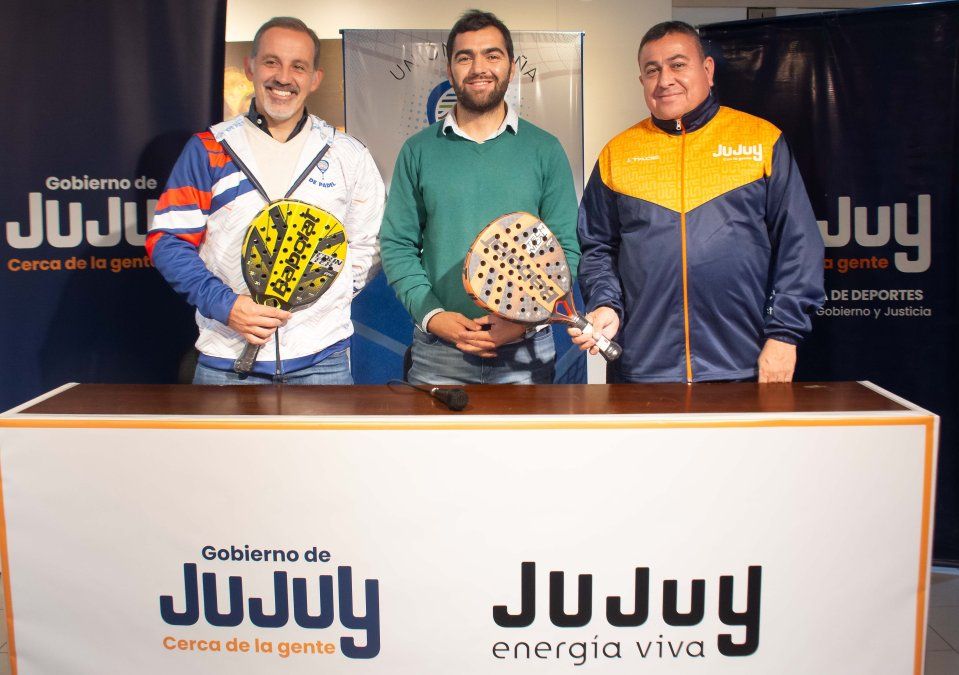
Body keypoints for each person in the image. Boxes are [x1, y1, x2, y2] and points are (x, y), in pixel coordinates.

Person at [573, 21, 824, 383]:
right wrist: (605, 304)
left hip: (745, 364)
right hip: (642, 369)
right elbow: (597, 247)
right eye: (652, 70)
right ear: (642, 80)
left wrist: (784, 334)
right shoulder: (618, 154)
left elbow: (798, 245)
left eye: (678, 65)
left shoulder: (761, 140)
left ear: (707, 70)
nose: (665, 80)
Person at [147, 17, 384, 385]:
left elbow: (367, 246)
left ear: (315, 79)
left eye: (298, 66)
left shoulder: (348, 154)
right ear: (250, 67)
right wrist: (226, 305)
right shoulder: (209, 149)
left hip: (323, 363)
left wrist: (322, 296)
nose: (283, 77)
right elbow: (168, 241)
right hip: (226, 361)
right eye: (272, 62)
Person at [380, 9, 579, 385]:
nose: (479, 68)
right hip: (439, 353)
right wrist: (433, 316)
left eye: (492, 55)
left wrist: (521, 321)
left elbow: (565, 248)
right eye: (465, 57)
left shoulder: (546, 150)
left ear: (511, 67)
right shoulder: (418, 150)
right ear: (449, 70)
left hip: (526, 354)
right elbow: (397, 245)